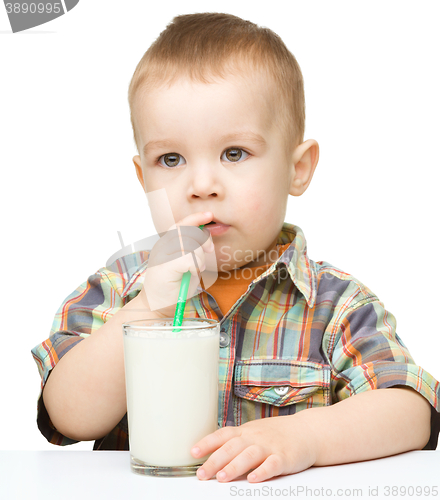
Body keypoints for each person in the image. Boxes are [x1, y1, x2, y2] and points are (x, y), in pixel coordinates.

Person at [32, 12, 440, 483]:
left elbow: (412, 409)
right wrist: (149, 306)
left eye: (234, 153)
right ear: (144, 178)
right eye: (171, 159)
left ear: (298, 168)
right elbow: (67, 416)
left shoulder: (335, 305)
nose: (201, 185)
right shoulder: (119, 288)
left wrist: (305, 437)